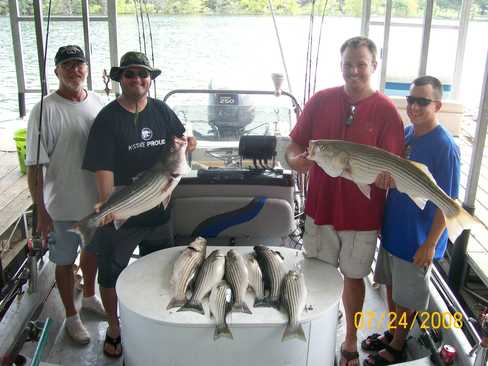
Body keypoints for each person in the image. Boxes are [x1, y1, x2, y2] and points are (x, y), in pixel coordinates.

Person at [285, 36, 404, 366]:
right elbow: (294, 145)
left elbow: (394, 165)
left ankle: (350, 337)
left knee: (354, 277)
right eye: (347, 65)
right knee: (320, 274)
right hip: (320, 210)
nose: (353, 71)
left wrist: (387, 179)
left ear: (374, 66)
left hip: (362, 215)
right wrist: (295, 162)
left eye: (361, 65)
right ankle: (319, 323)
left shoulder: (386, 111)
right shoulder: (321, 100)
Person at [82, 51, 197, 358]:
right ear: (120, 78)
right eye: (130, 74)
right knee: (110, 273)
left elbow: (180, 140)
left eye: (143, 74)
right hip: (124, 213)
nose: (137, 80)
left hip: (159, 214)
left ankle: (155, 320)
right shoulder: (107, 119)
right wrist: (106, 207)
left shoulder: (162, 111)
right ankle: (114, 327)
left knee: (160, 270)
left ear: (150, 79)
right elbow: (103, 168)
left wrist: (189, 144)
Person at [361, 76, 460, 365]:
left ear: (437, 105)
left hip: (418, 238)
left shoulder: (446, 147)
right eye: (411, 99)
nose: (414, 106)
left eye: (422, 101)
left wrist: (430, 243)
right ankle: (393, 333)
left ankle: (398, 346)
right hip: (394, 231)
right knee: (392, 287)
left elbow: (448, 203)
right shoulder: (405, 135)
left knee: (408, 296)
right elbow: (392, 179)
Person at [25, 45, 106, 345]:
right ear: (56, 71)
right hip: (61, 206)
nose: (75, 70)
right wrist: (41, 211)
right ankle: (71, 316)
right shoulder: (44, 109)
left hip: (96, 202)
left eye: (79, 64)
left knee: (92, 253)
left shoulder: (98, 101)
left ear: (86, 68)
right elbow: (34, 167)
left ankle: (89, 296)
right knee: (63, 260)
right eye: (67, 65)